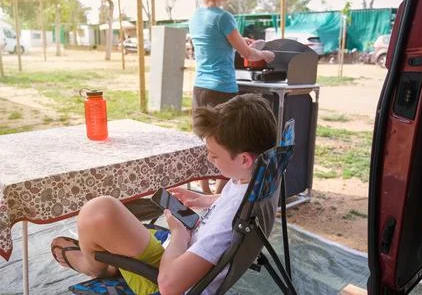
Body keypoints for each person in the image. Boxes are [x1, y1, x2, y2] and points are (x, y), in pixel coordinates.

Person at [51, 94, 277, 295]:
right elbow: (235, 204)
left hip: (165, 276)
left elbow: (169, 287)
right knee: (104, 212)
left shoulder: (222, 227)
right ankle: (105, 261)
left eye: (215, 156)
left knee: (98, 212)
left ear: (244, 159)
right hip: (184, 254)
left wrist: (178, 232)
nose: (210, 160)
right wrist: (205, 200)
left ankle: (91, 266)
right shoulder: (258, 176)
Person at [189, 0, 275, 194]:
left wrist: (238, 41)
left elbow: (216, 42)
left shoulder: (196, 16)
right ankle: (220, 195)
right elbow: (247, 53)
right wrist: (265, 53)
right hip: (221, 87)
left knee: (205, 138)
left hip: (200, 87)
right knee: (227, 142)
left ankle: (206, 190)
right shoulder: (224, 18)